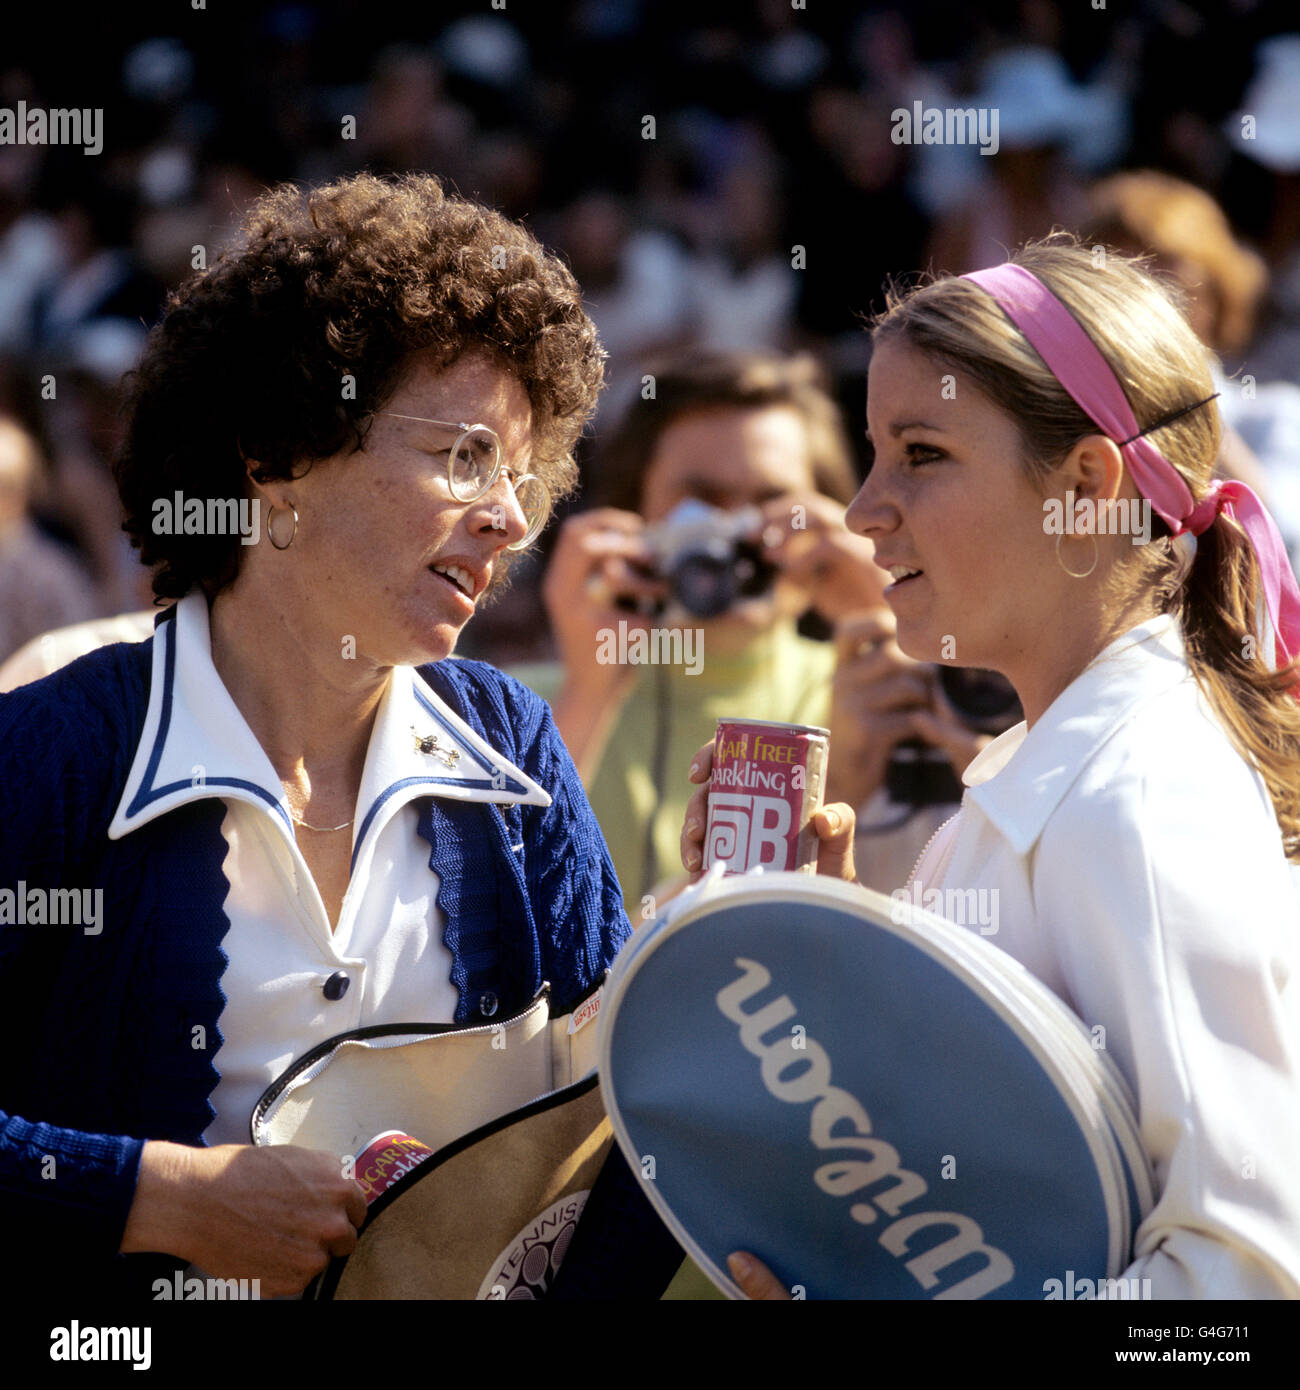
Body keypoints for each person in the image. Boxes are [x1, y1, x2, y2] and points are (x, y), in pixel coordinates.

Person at [0, 171, 680, 1300]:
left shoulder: (510, 744)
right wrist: (157, 1198)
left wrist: (737, 952)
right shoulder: (53, 753)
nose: (510, 518)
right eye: (464, 456)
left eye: (522, 475)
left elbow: (612, 1134)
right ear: (273, 457)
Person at [682, 234, 1300, 1299]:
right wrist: (841, 977)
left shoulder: (1139, 802)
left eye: (921, 454)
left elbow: (1243, 1282)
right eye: (871, 453)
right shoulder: (1048, 774)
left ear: (1086, 486)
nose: (862, 510)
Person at [518, 348, 879, 918]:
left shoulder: (869, 687)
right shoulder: (524, 709)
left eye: (771, 504)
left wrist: (884, 628)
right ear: (634, 513)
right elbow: (493, 901)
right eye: (703, 502)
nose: (736, 536)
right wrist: (588, 692)